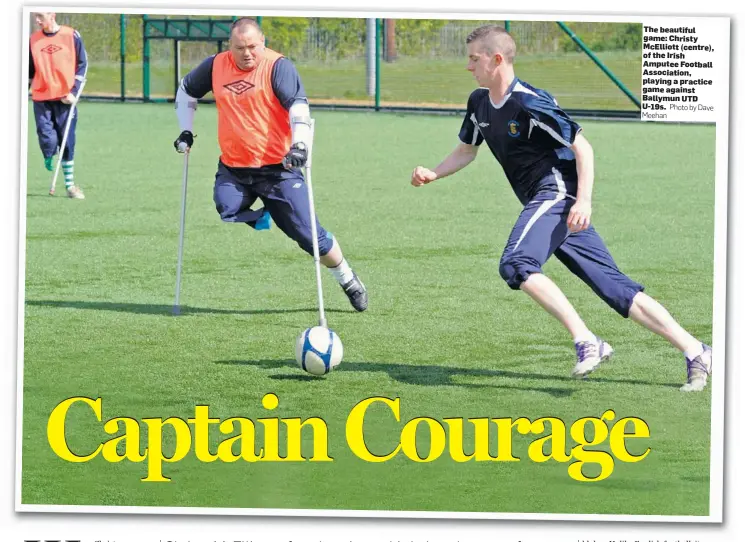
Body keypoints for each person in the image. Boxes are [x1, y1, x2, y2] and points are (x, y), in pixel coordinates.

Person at [410, 25, 711, 391]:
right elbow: (467, 150)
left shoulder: (529, 102)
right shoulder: (479, 103)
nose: (468, 67)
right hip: (554, 204)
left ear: (497, 59)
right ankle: (696, 350)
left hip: (556, 193)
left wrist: (583, 200)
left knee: (516, 263)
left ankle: (587, 341)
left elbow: (582, 146)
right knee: (614, 287)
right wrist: (434, 173)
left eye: (474, 59)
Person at [173, 17, 368, 312]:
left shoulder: (278, 67)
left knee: (309, 237)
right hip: (234, 168)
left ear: (262, 43)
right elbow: (187, 90)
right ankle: (266, 216)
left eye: (252, 46)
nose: (247, 53)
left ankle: (348, 278)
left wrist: (300, 145)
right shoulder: (215, 66)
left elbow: (298, 107)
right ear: (230, 46)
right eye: (240, 48)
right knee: (226, 206)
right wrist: (186, 130)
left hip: (279, 169)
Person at [28, 12, 87, 199]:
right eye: (35, 16)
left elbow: (82, 64)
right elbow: (29, 70)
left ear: (52, 15)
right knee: (47, 138)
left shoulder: (71, 35)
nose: (37, 20)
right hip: (41, 97)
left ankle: (70, 186)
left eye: (40, 16)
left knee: (66, 141)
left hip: (65, 98)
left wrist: (74, 92)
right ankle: (47, 154)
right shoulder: (33, 40)